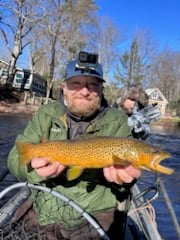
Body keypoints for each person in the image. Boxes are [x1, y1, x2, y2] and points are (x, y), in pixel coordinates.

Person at [7, 51, 141, 240]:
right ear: (64, 87)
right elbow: (15, 157)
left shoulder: (118, 121)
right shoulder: (46, 113)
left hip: (96, 213)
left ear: (101, 89)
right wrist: (33, 171)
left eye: (92, 85)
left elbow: (126, 176)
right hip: (44, 207)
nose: (85, 91)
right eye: (76, 84)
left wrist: (124, 181)